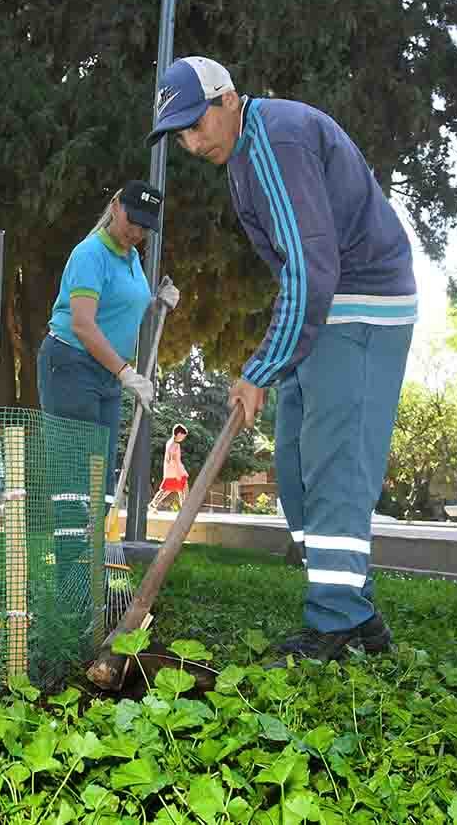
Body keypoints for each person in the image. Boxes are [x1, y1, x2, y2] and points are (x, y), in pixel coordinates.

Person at [147, 56, 416, 664]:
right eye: (180, 135)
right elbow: (301, 272)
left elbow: (312, 269)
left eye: (196, 125)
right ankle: (360, 612)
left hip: (362, 307)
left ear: (228, 99)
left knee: (334, 467)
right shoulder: (242, 157)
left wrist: (261, 367)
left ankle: (336, 622)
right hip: (326, 310)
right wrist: (270, 362)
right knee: (294, 472)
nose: (191, 143)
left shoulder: (276, 140)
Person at [37, 180, 180, 506]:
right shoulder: (90, 254)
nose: (136, 233)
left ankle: (96, 554)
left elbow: (126, 310)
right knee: (76, 475)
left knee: (100, 477)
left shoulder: (131, 260)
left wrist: (158, 303)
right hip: (71, 365)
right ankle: (72, 557)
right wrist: (126, 373)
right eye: (132, 221)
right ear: (116, 206)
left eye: (145, 228)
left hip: (107, 373)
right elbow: (83, 325)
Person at [149, 424, 189, 512]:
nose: (183, 438)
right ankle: (184, 509)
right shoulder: (175, 445)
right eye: (183, 436)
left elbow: (170, 459)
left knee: (169, 489)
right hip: (176, 472)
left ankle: (153, 504)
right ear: (178, 434)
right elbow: (173, 460)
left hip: (170, 471)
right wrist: (178, 473)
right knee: (180, 488)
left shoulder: (169, 442)